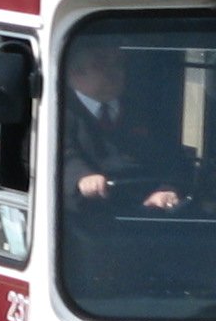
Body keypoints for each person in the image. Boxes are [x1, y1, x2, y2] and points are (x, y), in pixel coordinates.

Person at [62, 41, 182, 211]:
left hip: (145, 214)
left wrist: (167, 188)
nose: (114, 72)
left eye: (118, 64)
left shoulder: (143, 110)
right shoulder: (58, 111)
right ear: (75, 73)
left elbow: (171, 156)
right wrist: (82, 178)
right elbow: (58, 154)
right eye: (102, 65)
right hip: (81, 221)